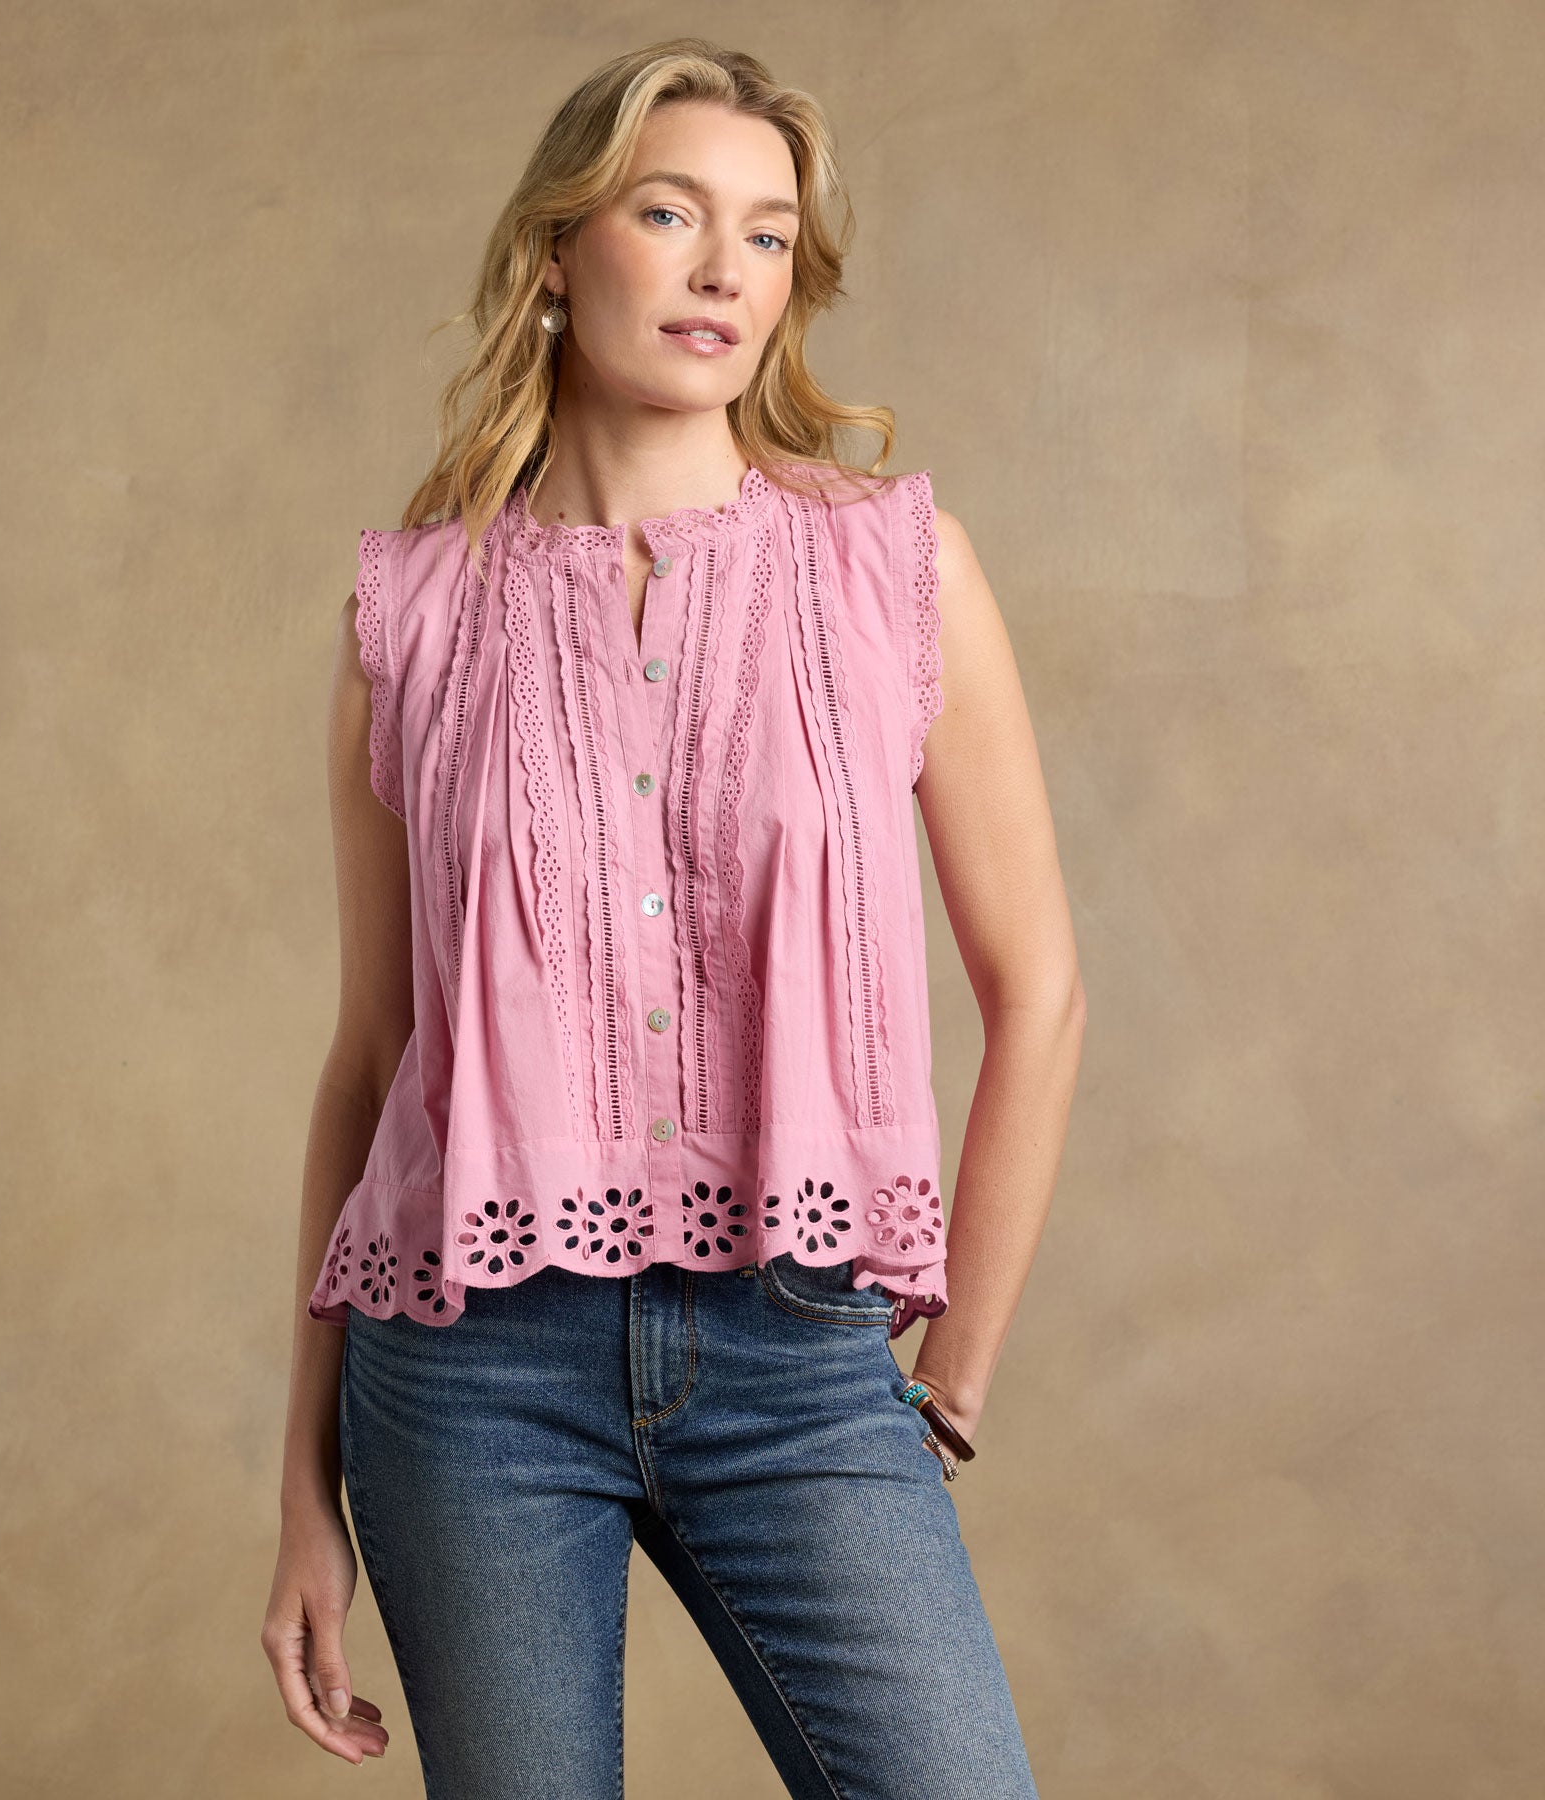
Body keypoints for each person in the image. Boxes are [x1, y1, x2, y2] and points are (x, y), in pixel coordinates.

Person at [261, 38, 1083, 1799]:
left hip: (799, 1354)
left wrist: (952, 1377)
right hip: (467, 1381)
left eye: (767, 235)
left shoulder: (893, 571)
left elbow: (1042, 992)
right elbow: (375, 1057)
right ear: (559, 249)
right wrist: (300, 1493)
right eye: (669, 214)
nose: (725, 270)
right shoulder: (410, 617)